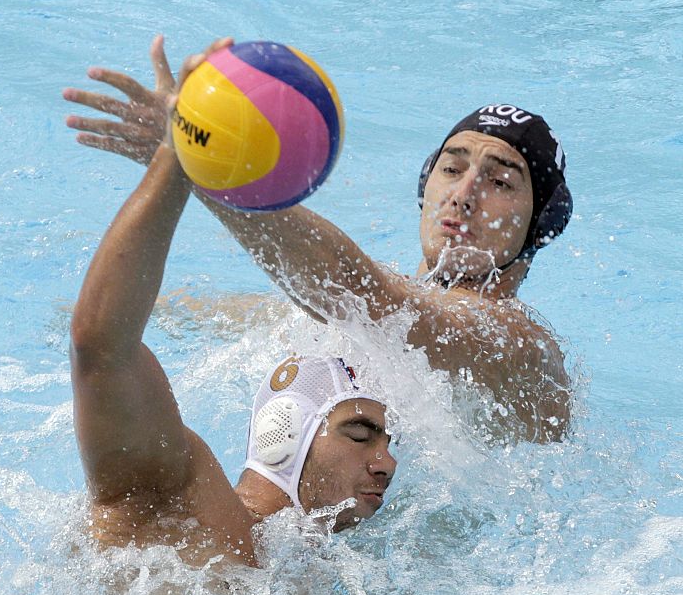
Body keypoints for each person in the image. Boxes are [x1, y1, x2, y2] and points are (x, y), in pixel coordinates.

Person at [64, 36, 573, 444]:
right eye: (452, 168)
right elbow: (198, 319)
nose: (463, 195)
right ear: (425, 184)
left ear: (540, 224)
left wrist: (202, 165)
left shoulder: (522, 349)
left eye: (501, 182)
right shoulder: (330, 311)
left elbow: (375, 304)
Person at [70, 45, 396, 567]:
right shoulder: (181, 502)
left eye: (385, 439)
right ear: (286, 434)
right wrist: (178, 161)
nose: (386, 462)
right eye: (360, 435)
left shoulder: (315, 572)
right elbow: (101, 347)